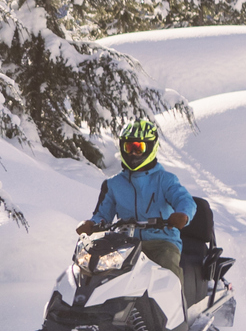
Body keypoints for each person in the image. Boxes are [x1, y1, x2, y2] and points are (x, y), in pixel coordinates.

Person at [75, 117, 197, 294]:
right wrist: (91, 224)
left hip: (160, 242)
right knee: (100, 272)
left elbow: (185, 200)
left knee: (167, 268)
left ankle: (177, 317)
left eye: (138, 148)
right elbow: (102, 214)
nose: (132, 153)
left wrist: (182, 214)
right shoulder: (113, 184)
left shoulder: (165, 180)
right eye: (128, 147)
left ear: (150, 147)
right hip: (124, 243)